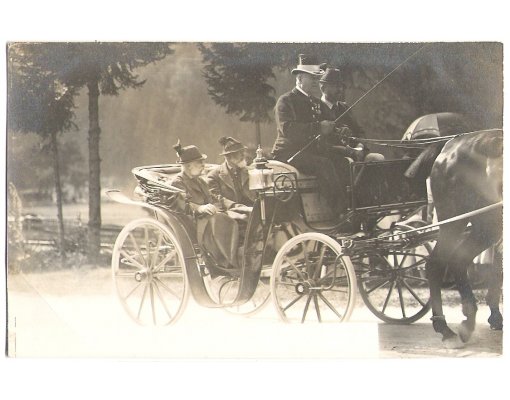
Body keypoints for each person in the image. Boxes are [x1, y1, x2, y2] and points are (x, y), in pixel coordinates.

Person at [271, 54, 346, 214]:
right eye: (312, 77)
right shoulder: (285, 101)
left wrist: (339, 131)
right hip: (287, 153)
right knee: (323, 164)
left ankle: (352, 207)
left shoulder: (317, 103)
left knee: (343, 162)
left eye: (317, 78)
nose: (315, 81)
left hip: (311, 152)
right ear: (299, 78)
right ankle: (339, 212)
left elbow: (330, 125)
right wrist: (318, 127)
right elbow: (288, 129)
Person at [167, 140, 240, 269]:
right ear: (189, 166)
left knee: (238, 216)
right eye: (199, 162)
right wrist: (200, 208)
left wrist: (234, 207)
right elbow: (182, 204)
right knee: (220, 219)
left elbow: (213, 198)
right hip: (194, 223)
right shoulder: (177, 183)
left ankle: (238, 254)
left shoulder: (200, 181)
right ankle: (229, 261)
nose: (203, 165)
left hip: (208, 217)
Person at [319, 67, 385, 162]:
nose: (339, 89)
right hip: (332, 156)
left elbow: (359, 131)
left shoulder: (344, 107)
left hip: (354, 153)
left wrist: (360, 145)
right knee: (348, 161)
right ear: (323, 88)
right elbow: (320, 143)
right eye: (334, 86)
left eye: (341, 86)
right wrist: (344, 150)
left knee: (377, 158)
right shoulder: (317, 107)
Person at [206, 136, 254, 222]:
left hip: (252, 210)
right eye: (239, 153)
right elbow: (216, 198)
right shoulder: (214, 176)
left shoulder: (249, 171)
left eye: (243, 152)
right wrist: (238, 207)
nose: (243, 155)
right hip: (231, 215)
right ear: (228, 157)